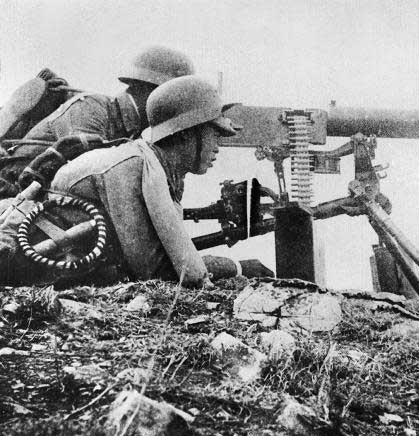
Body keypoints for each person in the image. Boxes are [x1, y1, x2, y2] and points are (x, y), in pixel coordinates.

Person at [44, 75, 272, 287]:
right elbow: (154, 270)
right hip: (37, 264)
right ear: (186, 132)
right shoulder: (131, 167)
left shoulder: (159, 171)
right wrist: (236, 267)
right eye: (215, 134)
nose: (217, 147)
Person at [0, 46, 195, 199]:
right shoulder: (92, 107)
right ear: (147, 89)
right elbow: (81, 175)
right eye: (171, 98)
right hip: (13, 191)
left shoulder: (131, 131)